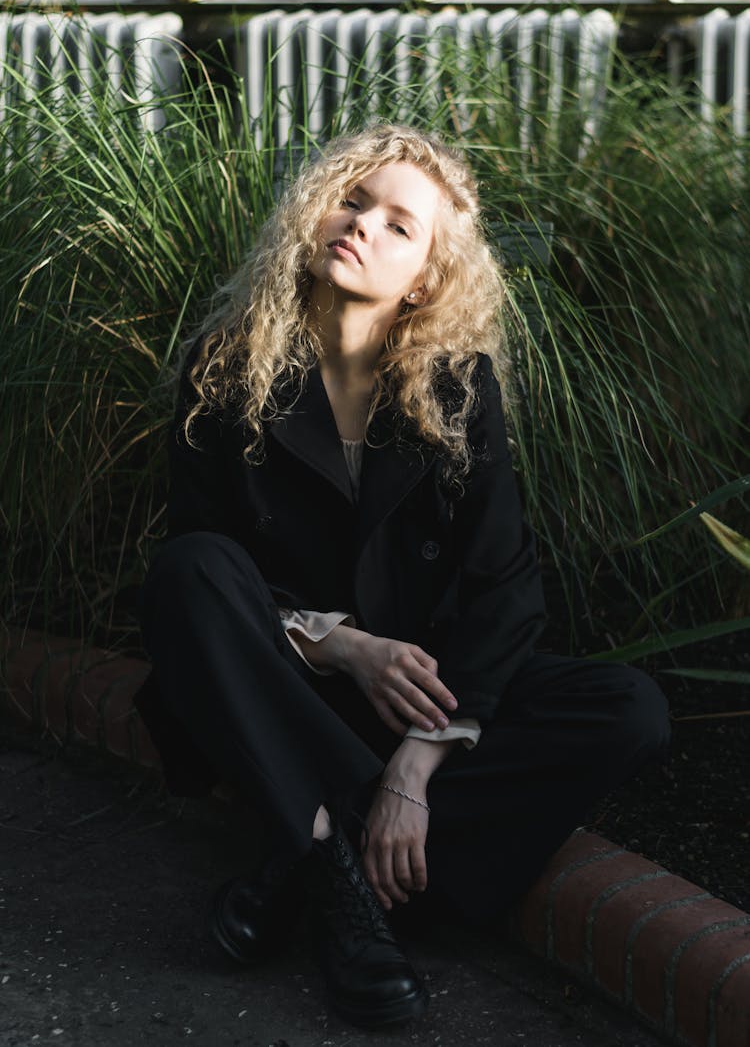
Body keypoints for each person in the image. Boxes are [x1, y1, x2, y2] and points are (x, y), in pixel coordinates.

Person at [135, 123, 670, 1031]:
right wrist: (341, 644)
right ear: (313, 217)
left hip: (419, 698)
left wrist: (417, 767)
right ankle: (354, 899)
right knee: (190, 569)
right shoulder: (223, 370)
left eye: (398, 224)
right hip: (289, 684)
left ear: (424, 277)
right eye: (351, 200)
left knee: (629, 710)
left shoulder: (456, 387)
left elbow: (508, 586)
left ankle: (312, 855)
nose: (361, 226)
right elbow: (205, 574)